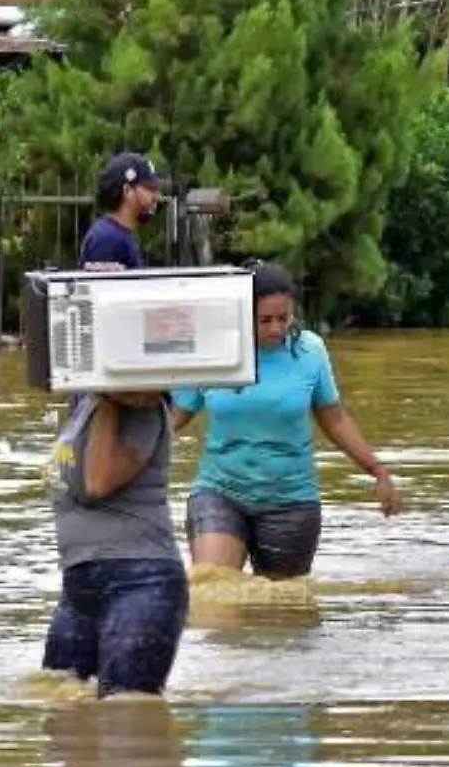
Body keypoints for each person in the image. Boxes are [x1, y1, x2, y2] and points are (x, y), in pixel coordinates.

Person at [170, 262, 401, 580]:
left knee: (282, 614)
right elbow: (175, 416)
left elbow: (334, 420)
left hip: (291, 501)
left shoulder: (309, 351)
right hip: (220, 491)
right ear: (240, 314)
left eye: (284, 318)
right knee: (213, 590)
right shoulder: (213, 349)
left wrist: (378, 471)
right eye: (265, 320)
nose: (276, 328)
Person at [41, 390, 186, 698]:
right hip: (79, 587)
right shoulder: (85, 402)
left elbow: (98, 482)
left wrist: (108, 403)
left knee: (126, 717)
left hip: (140, 582)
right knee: (63, 715)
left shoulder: (139, 406)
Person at [79, 152, 167, 271]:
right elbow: (104, 288)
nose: (156, 195)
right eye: (149, 188)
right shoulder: (107, 239)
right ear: (127, 191)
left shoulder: (118, 234)